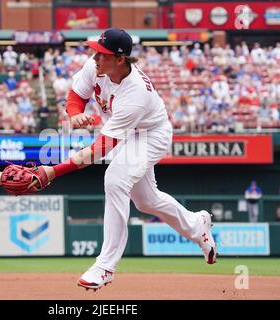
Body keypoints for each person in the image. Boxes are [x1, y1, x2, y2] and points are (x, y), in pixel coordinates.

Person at [27, 28, 217, 290]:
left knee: (115, 180)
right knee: (147, 201)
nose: (95, 57)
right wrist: (73, 114)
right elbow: (76, 96)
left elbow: (98, 150)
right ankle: (198, 225)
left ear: (120, 59)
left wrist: (53, 172)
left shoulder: (135, 92)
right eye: (96, 51)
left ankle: (105, 266)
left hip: (151, 134)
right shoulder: (96, 66)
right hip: (122, 131)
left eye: (102, 54)